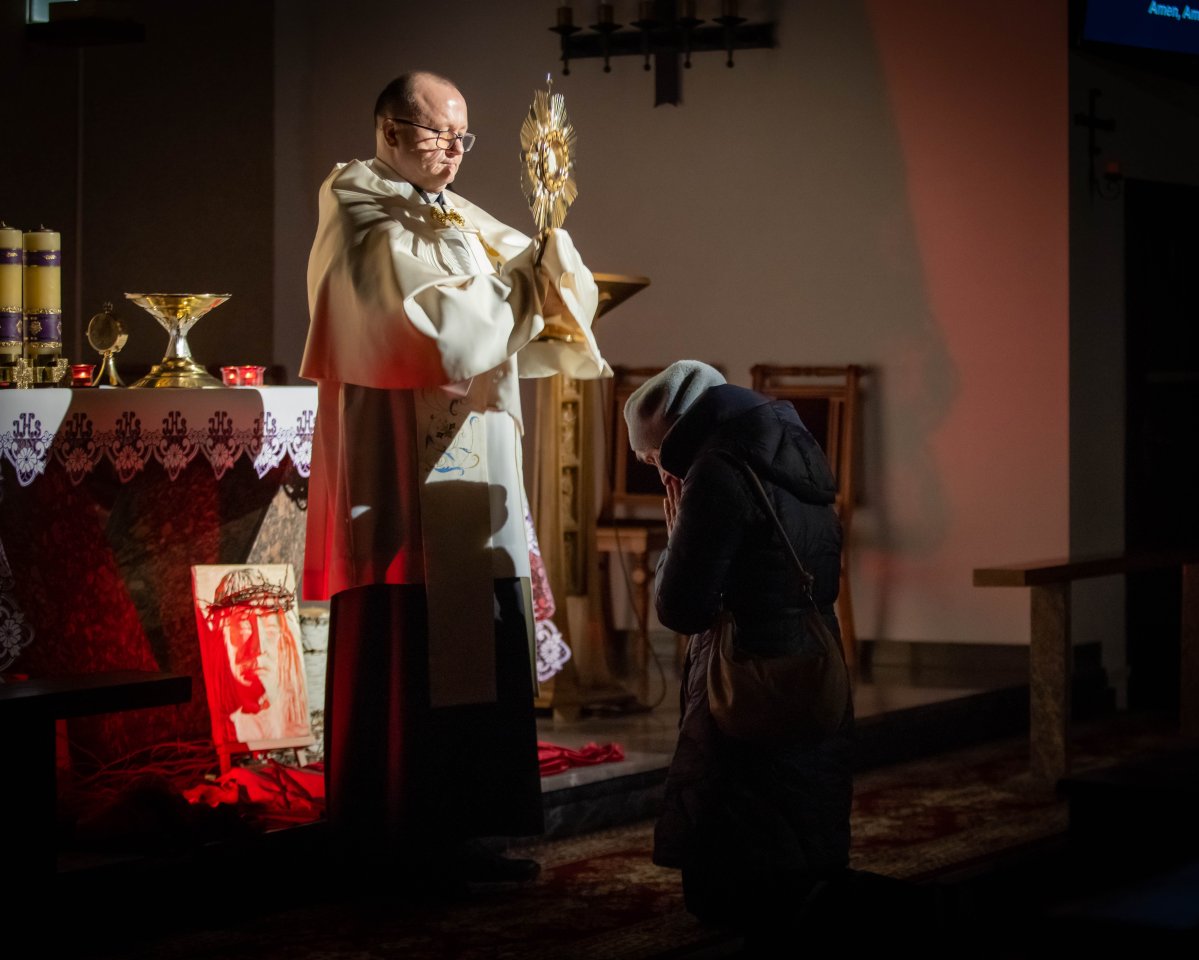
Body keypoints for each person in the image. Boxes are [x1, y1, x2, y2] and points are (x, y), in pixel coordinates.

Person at [300, 71, 607, 888]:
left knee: (478, 633)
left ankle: (469, 831)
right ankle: (403, 835)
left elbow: (534, 276)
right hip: (402, 474)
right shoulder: (360, 209)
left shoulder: (453, 212)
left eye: (463, 136)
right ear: (389, 131)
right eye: (438, 133)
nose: (454, 150)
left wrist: (549, 259)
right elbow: (426, 327)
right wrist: (520, 285)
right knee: (415, 640)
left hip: (471, 458)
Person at [624, 360, 855, 940]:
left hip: (742, 674)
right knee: (805, 818)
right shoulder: (796, 444)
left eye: (653, 461)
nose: (661, 475)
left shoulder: (716, 470)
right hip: (812, 655)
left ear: (672, 439)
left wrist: (674, 540)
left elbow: (682, 609)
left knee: (739, 880)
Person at [202, 567, 310, 748]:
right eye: (244, 623)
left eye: (270, 627)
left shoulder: (290, 720)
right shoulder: (232, 721)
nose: (260, 647)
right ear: (221, 631)